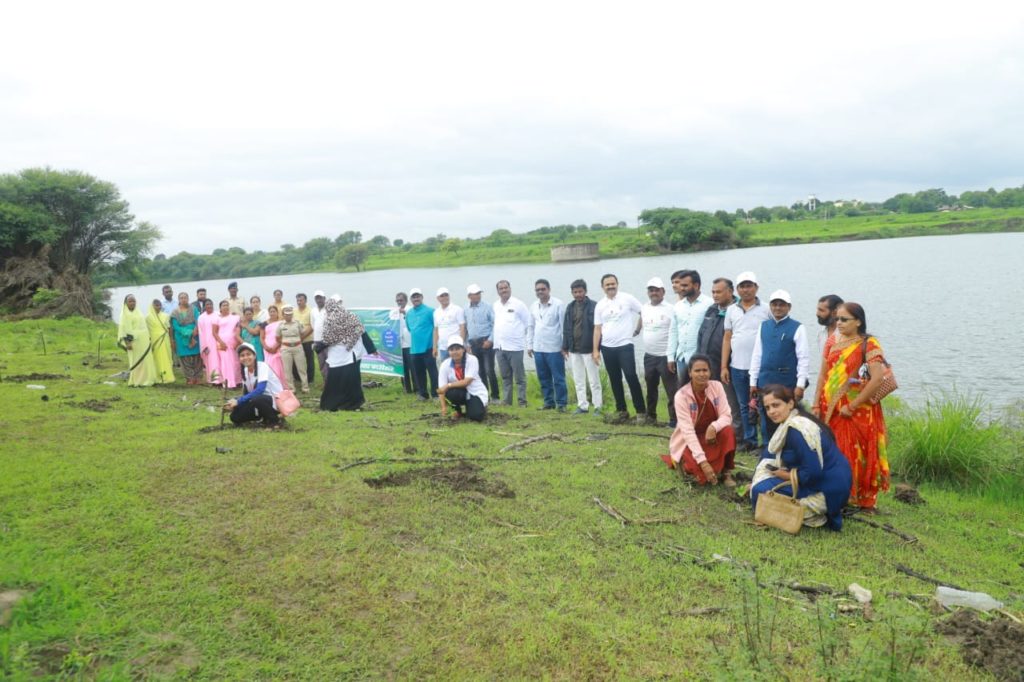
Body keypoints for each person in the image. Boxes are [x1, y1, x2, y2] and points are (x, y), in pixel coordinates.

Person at [812, 302, 890, 510]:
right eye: (837, 319)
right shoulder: (831, 341)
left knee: (858, 452)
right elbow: (823, 374)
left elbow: (877, 378)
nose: (839, 323)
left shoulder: (869, 343)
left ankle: (860, 498)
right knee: (835, 450)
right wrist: (815, 404)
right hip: (831, 408)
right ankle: (839, 492)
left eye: (844, 319)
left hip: (857, 410)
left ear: (858, 322)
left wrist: (853, 405)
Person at [751, 384, 853, 530]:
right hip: (832, 479)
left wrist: (785, 475)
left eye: (776, 405)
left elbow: (813, 473)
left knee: (759, 490)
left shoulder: (797, 430)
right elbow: (768, 454)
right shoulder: (793, 421)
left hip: (828, 487)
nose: (772, 411)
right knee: (764, 468)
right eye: (768, 408)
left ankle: (817, 513)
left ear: (790, 403)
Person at [666, 355, 737, 486]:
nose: (702, 374)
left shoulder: (717, 387)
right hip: (690, 440)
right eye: (697, 371)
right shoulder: (681, 396)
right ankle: (694, 464)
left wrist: (713, 427)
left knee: (728, 431)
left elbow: (726, 416)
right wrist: (703, 462)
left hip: (712, 437)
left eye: (705, 370)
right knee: (699, 476)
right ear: (690, 373)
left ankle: (726, 472)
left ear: (710, 372)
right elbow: (687, 432)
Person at [750, 289, 810, 442]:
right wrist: (753, 382)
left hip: (786, 382)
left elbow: (803, 358)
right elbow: (757, 355)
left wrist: (800, 385)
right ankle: (768, 450)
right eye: (774, 304)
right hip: (765, 381)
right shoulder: (764, 326)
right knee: (766, 417)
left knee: (788, 418)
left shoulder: (797, 327)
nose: (777, 308)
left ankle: (789, 450)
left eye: (781, 305)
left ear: (789, 307)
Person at [721, 271, 772, 451]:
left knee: (764, 405)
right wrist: (723, 366)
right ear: (737, 289)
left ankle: (766, 442)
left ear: (756, 287)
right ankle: (749, 441)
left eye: (749, 285)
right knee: (744, 406)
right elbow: (727, 338)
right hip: (737, 366)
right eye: (742, 286)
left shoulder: (767, 309)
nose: (746, 289)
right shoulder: (731, 310)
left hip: (760, 367)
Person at [593, 274, 645, 423]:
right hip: (607, 347)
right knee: (614, 379)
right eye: (607, 285)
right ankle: (622, 410)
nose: (610, 287)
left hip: (625, 345)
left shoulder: (627, 298)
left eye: (613, 283)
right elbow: (597, 329)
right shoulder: (600, 305)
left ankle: (641, 411)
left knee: (631, 376)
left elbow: (644, 312)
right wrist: (595, 350)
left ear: (617, 284)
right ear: (602, 287)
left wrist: (638, 329)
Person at [696, 277, 742, 435]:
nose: (715, 295)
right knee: (712, 400)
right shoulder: (712, 309)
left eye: (719, 292)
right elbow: (702, 334)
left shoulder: (738, 310)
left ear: (730, 292)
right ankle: (715, 430)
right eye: (713, 292)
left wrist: (725, 365)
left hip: (727, 365)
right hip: (708, 365)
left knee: (731, 402)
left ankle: (737, 435)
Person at [639, 277, 677, 426]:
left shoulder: (671, 309)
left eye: (657, 290)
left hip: (665, 356)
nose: (654, 293)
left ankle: (674, 420)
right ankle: (651, 416)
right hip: (649, 355)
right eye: (651, 290)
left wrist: (671, 356)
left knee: (671, 391)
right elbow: (641, 319)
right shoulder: (644, 307)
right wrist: (636, 330)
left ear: (663, 291)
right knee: (650, 387)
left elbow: (675, 332)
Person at [562, 279, 602, 416]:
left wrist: (597, 348)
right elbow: (566, 328)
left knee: (594, 380)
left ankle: (598, 406)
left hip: (589, 349)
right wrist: (565, 346)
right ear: (572, 293)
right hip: (574, 349)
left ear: (585, 291)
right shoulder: (570, 307)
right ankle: (582, 406)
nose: (578, 294)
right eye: (575, 292)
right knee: (578, 379)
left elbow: (599, 329)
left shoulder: (594, 306)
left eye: (580, 291)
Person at [667, 269, 713, 386]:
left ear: (696, 285)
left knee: (703, 391)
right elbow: (673, 331)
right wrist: (670, 357)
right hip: (682, 358)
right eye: (680, 285)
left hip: (701, 359)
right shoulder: (678, 306)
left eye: (685, 285)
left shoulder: (709, 304)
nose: (681, 288)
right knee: (685, 392)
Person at [320, 298, 367, 411]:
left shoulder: (330, 319)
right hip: (352, 353)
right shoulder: (351, 315)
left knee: (335, 382)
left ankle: (332, 404)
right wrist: (349, 342)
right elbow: (360, 329)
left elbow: (327, 338)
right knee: (353, 381)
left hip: (337, 355)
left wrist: (318, 346)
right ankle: (354, 404)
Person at [528, 279, 568, 411]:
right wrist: (529, 345)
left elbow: (564, 327)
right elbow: (531, 327)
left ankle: (561, 404)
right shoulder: (533, 305)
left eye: (543, 289)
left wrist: (564, 346)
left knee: (558, 378)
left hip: (555, 348)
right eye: (537, 290)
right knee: (543, 377)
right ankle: (548, 402)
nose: (540, 292)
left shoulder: (558, 304)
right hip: (538, 348)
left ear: (549, 289)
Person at [492, 280, 532, 407]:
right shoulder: (495, 305)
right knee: (505, 377)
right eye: (501, 288)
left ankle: (522, 402)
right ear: (497, 291)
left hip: (515, 347)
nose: (504, 290)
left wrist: (523, 339)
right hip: (499, 347)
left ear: (510, 288)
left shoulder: (518, 304)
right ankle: (507, 401)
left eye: (506, 287)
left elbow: (528, 324)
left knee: (519, 378)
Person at [225, 343, 284, 427]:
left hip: (275, 400)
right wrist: (233, 403)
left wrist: (238, 401)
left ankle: (275, 421)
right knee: (234, 417)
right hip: (258, 400)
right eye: (242, 355)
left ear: (255, 356)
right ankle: (262, 417)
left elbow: (260, 390)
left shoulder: (262, 366)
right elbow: (246, 394)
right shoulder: (245, 371)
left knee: (257, 399)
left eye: (248, 354)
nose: (245, 357)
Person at [438, 335, 489, 422]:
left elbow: (467, 382)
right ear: (448, 351)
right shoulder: (445, 364)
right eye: (451, 349)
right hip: (459, 392)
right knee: (451, 393)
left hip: (474, 392)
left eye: (457, 348)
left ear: (463, 349)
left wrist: (449, 385)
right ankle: (457, 411)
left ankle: (480, 407)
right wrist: (443, 407)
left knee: (476, 417)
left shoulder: (472, 359)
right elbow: (441, 389)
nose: (454, 352)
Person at [464, 284, 499, 401]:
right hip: (473, 344)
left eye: (479, 293)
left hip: (486, 342)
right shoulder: (466, 309)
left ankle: (495, 396)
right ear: (469, 296)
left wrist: (490, 340)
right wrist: (466, 343)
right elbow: (466, 327)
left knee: (489, 370)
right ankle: (485, 395)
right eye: (475, 293)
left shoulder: (487, 306)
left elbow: (495, 324)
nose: (478, 295)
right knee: (479, 371)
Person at [117, 295, 157, 387]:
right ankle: (138, 380)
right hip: (133, 342)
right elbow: (124, 329)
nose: (132, 303)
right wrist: (128, 342)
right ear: (126, 303)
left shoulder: (138, 312)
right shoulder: (124, 315)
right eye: (130, 301)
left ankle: (148, 379)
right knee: (136, 361)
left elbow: (143, 326)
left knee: (146, 360)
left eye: (134, 301)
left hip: (144, 341)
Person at [405, 288, 438, 400]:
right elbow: (410, 329)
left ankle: (435, 394)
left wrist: (434, 346)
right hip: (414, 349)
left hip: (428, 347)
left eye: (418, 296)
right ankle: (423, 393)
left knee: (432, 372)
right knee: (419, 373)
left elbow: (436, 328)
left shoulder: (430, 311)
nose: (416, 299)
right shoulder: (409, 313)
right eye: (414, 297)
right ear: (411, 299)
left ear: (422, 297)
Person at [170, 292, 204, 385]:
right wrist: (185, 332)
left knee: (196, 357)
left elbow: (198, 320)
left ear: (188, 299)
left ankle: (197, 377)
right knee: (185, 358)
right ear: (179, 300)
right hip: (181, 337)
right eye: (181, 298)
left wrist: (195, 330)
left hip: (194, 335)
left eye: (185, 297)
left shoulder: (194, 309)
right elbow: (175, 326)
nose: (183, 299)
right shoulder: (175, 312)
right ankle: (189, 378)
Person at [276, 305, 309, 393]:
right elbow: (277, 337)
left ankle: (305, 387)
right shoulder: (280, 325)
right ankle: (291, 389)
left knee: (302, 368)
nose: (288, 316)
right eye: (286, 314)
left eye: (290, 314)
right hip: (286, 348)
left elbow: (302, 333)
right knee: (287, 370)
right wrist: (284, 343)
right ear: (283, 315)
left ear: (292, 314)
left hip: (298, 347)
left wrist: (297, 341)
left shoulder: (297, 323)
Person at [211, 300, 242, 388]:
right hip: (222, 343)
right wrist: (221, 342)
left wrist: (237, 342)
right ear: (220, 308)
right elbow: (214, 333)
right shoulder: (216, 318)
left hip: (233, 343)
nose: (225, 307)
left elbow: (238, 329)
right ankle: (228, 383)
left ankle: (237, 381)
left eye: (227, 305)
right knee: (225, 363)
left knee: (235, 362)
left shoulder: (235, 317)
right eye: (223, 305)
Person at [432, 287, 467, 363]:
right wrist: (434, 347)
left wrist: (461, 345)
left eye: (446, 295)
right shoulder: (436, 312)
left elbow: (462, 327)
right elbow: (436, 330)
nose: (445, 297)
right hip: (443, 348)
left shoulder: (457, 309)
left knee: (459, 369)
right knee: (446, 370)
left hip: (456, 347)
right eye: (442, 296)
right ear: (438, 298)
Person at [391, 292, 415, 394]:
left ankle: (417, 388)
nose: (399, 302)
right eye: (397, 301)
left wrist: (404, 313)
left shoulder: (411, 310)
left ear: (406, 300)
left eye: (401, 300)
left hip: (410, 343)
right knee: (402, 368)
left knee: (413, 367)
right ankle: (406, 388)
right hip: (399, 345)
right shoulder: (394, 311)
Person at [147, 299, 175, 383]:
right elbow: (147, 330)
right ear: (152, 306)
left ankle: (167, 376)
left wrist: (171, 339)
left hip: (164, 338)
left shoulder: (166, 316)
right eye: (156, 305)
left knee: (167, 355)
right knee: (156, 357)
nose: (158, 307)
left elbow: (169, 328)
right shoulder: (148, 318)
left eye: (159, 305)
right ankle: (158, 376)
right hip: (154, 339)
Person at [196, 299, 221, 384]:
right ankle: (213, 380)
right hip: (208, 344)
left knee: (220, 360)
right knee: (211, 362)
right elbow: (201, 333)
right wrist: (204, 346)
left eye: (210, 304)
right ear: (204, 307)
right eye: (207, 304)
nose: (209, 306)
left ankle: (222, 379)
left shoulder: (218, 314)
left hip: (218, 341)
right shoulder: (201, 317)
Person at [294, 293, 316, 386]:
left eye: (301, 300)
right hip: (296, 340)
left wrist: (302, 337)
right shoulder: (294, 311)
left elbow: (312, 326)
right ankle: (297, 378)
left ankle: (310, 379)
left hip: (308, 339)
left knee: (309, 359)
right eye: (298, 300)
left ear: (305, 301)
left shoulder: (311, 311)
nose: (299, 302)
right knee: (296, 360)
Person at [263, 305, 286, 389]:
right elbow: (262, 337)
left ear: (277, 313)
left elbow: (283, 335)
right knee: (269, 366)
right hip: (267, 348)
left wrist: (276, 347)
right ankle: (270, 384)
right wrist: (266, 347)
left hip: (278, 347)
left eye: (274, 311)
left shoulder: (281, 323)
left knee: (278, 366)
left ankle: (280, 383)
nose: (272, 313)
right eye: (270, 312)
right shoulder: (265, 324)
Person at [310, 290, 328, 377]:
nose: (318, 300)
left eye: (320, 298)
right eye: (317, 298)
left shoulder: (329, 309)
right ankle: (326, 382)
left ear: (324, 298)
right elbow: (313, 324)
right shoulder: (313, 310)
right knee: (321, 363)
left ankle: (332, 383)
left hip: (327, 341)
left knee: (330, 362)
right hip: (317, 340)